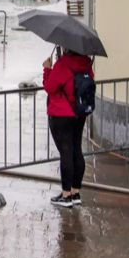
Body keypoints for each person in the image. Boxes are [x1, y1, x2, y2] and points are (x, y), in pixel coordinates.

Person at [43, 47, 94, 208]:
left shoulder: (63, 64)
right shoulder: (86, 64)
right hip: (79, 113)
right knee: (76, 150)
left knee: (66, 152)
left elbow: (50, 87)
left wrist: (47, 69)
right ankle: (75, 192)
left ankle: (66, 196)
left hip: (61, 114)